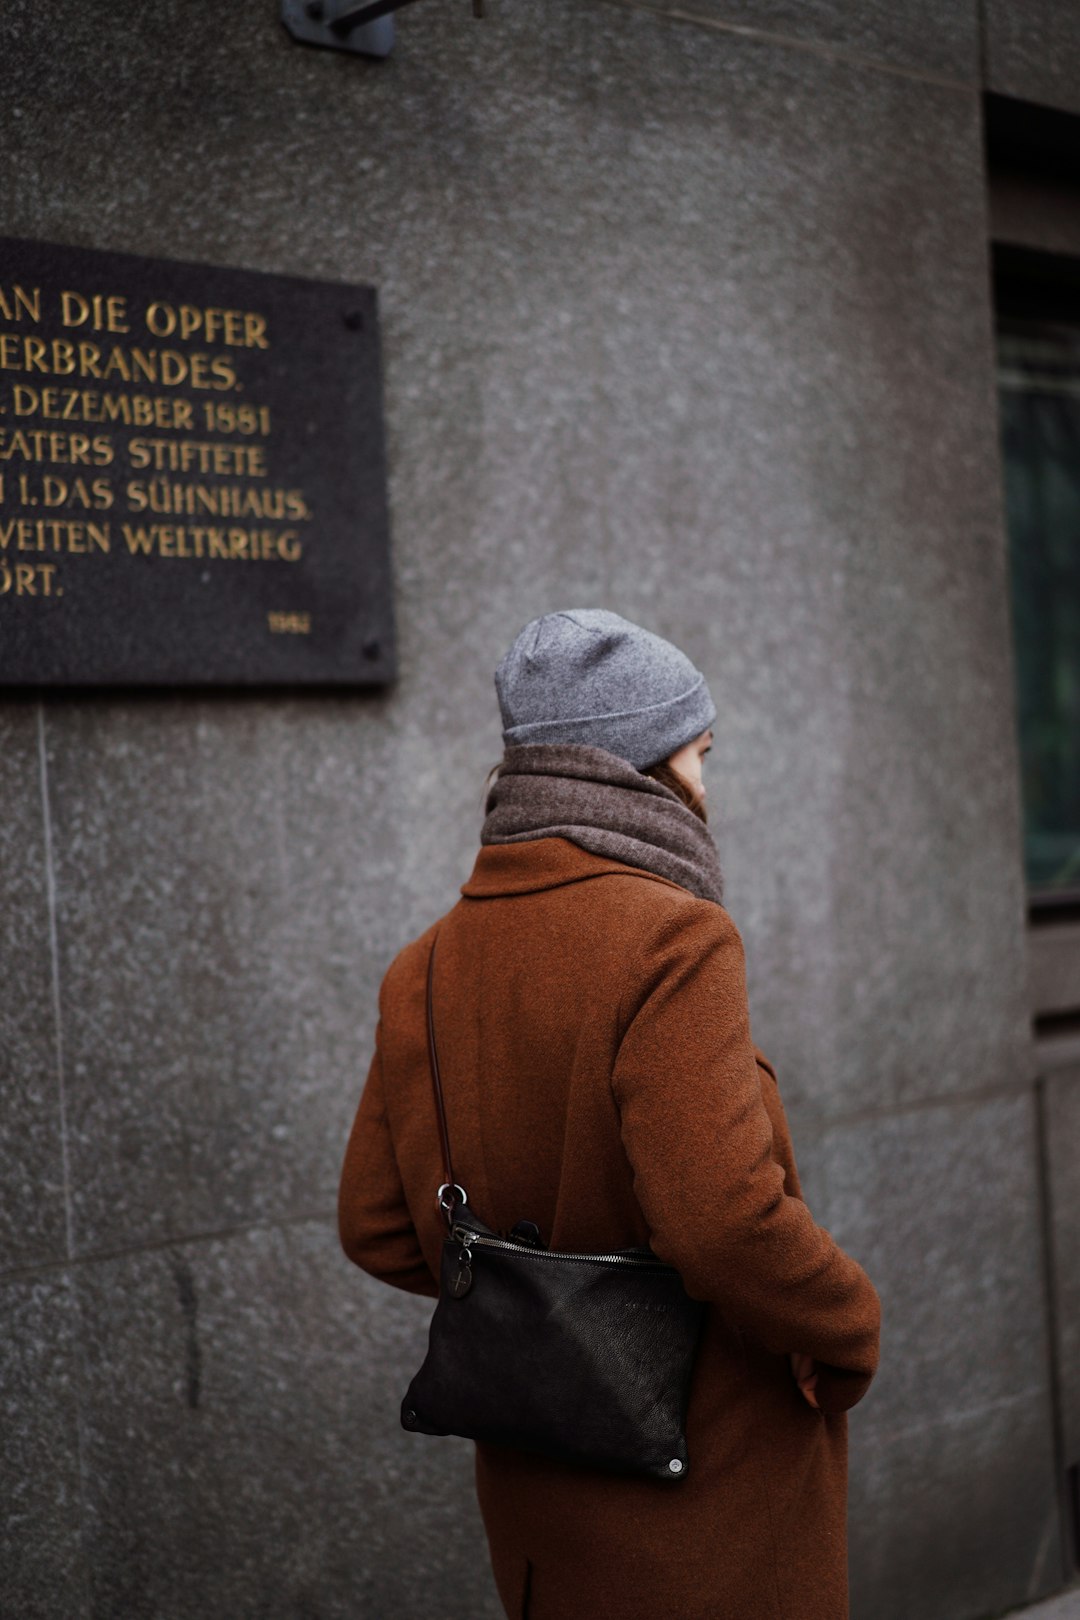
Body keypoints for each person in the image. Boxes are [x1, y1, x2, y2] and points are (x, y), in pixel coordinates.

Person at [338, 608, 882, 1620]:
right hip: (710, 1504)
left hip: (541, 1498)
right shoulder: (673, 938)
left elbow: (375, 1225)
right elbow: (721, 1221)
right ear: (639, 763)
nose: (709, 787)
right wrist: (848, 1320)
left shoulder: (425, 967)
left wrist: (543, 1302)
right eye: (700, 753)